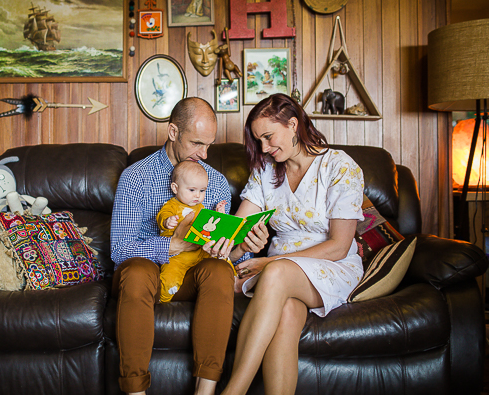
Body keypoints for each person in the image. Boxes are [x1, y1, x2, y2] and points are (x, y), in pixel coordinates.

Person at [110, 97, 268, 395]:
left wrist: (242, 246)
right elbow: (119, 249)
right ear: (172, 132)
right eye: (197, 143)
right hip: (147, 278)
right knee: (137, 271)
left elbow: (228, 252)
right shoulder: (135, 178)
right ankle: (135, 391)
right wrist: (173, 245)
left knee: (219, 269)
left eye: (209, 145)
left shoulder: (217, 183)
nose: (204, 154)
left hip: (191, 275)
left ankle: (205, 391)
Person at [220, 93, 365, 395]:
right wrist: (231, 240)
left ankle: (233, 391)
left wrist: (267, 263)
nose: (264, 148)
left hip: (332, 265)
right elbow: (236, 230)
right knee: (285, 313)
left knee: (276, 275)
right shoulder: (266, 171)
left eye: (269, 137)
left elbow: (339, 246)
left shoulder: (339, 166)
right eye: (258, 141)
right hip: (280, 277)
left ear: (293, 125)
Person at [156, 160, 228, 303]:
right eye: (192, 190)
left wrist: (219, 214)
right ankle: (164, 298)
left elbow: (210, 226)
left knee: (222, 263)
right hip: (178, 256)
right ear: (175, 188)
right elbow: (162, 216)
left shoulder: (201, 208)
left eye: (202, 191)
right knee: (170, 277)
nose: (197, 196)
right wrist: (167, 221)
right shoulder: (172, 205)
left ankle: (232, 277)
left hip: (200, 252)